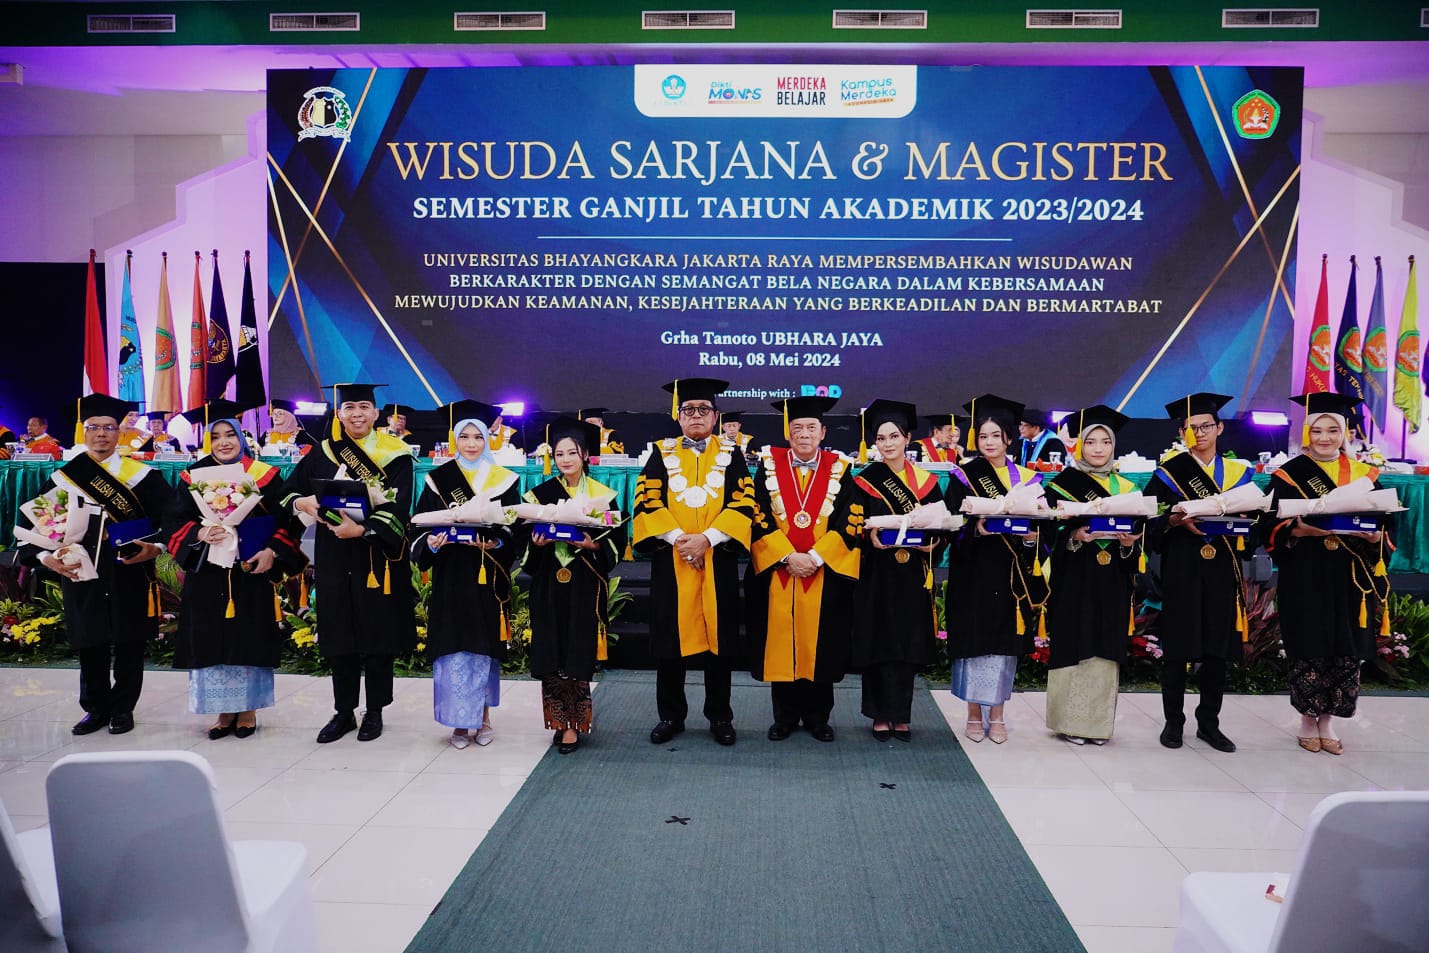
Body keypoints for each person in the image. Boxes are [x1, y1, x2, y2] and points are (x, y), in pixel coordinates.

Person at [12, 394, 170, 735]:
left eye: (109, 428)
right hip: (81, 570)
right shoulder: (63, 479)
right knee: (90, 640)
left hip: (129, 569)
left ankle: (123, 709)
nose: (102, 434)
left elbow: (171, 521)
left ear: (119, 433)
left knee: (130, 642)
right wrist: (46, 558)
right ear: (83, 431)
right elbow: (35, 525)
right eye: (94, 427)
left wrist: (155, 547)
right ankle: (96, 709)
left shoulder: (143, 476)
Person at [282, 382, 417, 743]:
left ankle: (374, 711)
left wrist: (362, 531)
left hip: (375, 555)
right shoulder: (323, 452)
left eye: (363, 407)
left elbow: (400, 509)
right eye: (349, 408)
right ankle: (343, 711)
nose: (356, 413)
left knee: (376, 632)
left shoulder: (397, 454)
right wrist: (303, 504)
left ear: (376, 414)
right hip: (333, 553)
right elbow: (289, 493)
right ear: (339, 414)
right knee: (338, 630)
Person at [163, 402, 307, 739]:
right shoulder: (193, 476)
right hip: (209, 568)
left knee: (249, 634)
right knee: (211, 634)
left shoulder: (266, 476)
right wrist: (199, 532)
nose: (224, 442)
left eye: (230, 434)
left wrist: (272, 551)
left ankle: (248, 710)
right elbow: (173, 520)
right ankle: (223, 711)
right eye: (216, 437)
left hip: (249, 569)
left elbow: (286, 521)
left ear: (242, 437)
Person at [1267, 392, 1391, 756]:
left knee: (1343, 645)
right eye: (1317, 430)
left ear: (1344, 433)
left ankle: (1329, 721)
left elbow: (1385, 521)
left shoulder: (1364, 475)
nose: (1324, 438)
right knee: (1309, 642)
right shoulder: (1289, 474)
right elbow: (1267, 524)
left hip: (1348, 574)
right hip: (1305, 572)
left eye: (1332, 430)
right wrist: (1299, 530)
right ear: (1307, 433)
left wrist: (1374, 534)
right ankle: (1307, 719)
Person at [633, 378, 755, 746]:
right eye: (689, 410)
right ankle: (671, 716)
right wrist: (680, 541)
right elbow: (647, 500)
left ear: (716, 416)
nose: (696, 416)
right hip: (672, 561)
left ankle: (720, 716)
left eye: (704, 410)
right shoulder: (660, 452)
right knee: (670, 641)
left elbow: (744, 501)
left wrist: (708, 540)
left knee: (719, 642)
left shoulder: (732, 454)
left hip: (716, 560)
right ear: (679, 416)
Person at [745, 396, 861, 742]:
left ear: (823, 431)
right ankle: (783, 716)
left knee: (821, 645)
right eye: (797, 428)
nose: (804, 434)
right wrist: (785, 556)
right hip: (780, 571)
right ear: (788, 432)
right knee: (781, 641)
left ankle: (817, 717)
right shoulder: (768, 466)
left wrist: (816, 557)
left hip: (823, 573)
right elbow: (756, 514)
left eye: (811, 427)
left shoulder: (840, 469)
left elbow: (850, 518)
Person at [411, 400, 524, 749]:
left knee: (482, 645)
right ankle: (458, 723)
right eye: (464, 437)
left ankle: (483, 716)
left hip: (484, 574)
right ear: (454, 439)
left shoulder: (504, 480)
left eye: (478, 436)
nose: (472, 443)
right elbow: (418, 526)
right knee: (452, 645)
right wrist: (431, 541)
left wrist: (495, 544)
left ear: (487, 439)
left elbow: (513, 528)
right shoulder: (437, 479)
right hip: (449, 573)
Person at [1146, 393, 1252, 753]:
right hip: (1182, 568)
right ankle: (1173, 723)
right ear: (1181, 432)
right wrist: (1174, 520)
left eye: (1206, 426)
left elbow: (1256, 523)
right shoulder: (1167, 474)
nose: (1199, 433)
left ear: (1219, 428)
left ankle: (1210, 723)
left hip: (1222, 568)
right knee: (1177, 648)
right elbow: (1149, 523)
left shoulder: (1240, 473)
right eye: (1191, 428)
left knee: (1215, 651)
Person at [522, 415, 625, 753]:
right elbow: (527, 541)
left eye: (572, 453)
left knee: (576, 651)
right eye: (559, 454)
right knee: (552, 649)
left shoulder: (603, 495)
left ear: (585, 455)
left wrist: (591, 544)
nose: (565, 459)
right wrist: (535, 542)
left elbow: (615, 540)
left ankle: (575, 725)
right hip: (550, 579)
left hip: (583, 580)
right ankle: (557, 721)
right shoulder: (540, 495)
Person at [849, 399, 948, 742]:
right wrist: (869, 538)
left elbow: (942, 528)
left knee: (905, 644)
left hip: (912, 576)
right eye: (881, 438)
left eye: (894, 436)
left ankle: (901, 715)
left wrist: (931, 545)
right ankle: (879, 714)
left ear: (907, 438)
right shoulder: (864, 481)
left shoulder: (927, 482)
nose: (887, 443)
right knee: (880, 642)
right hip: (877, 575)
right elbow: (852, 526)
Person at [1043, 405, 1143, 745]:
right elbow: (1049, 536)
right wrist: (1074, 537)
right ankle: (1068, 723)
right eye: (1091, 442)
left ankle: (1098, 726)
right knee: (1075, 640)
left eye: (1105, 442)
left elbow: (1135, 541)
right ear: (1079, 446)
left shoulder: (1127, 487)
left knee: (1104, 646)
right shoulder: (1062, 485)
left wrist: (1130, 544)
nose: (1098, 449)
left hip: (1112, 579)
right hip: (1075, 579)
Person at [946, 394, 1042, 744]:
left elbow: (1040, 532)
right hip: (973, 571)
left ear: (1009, 439)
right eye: (983, 436)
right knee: (974, 641)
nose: (988, 442)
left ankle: (998, 713)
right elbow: (952, 524)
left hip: (1010, 573)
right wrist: (977, 529)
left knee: (1003, 644)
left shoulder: (1028, 478)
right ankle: (973, 713)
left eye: (995, 436)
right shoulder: (963, 476)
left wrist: (1033, 536)